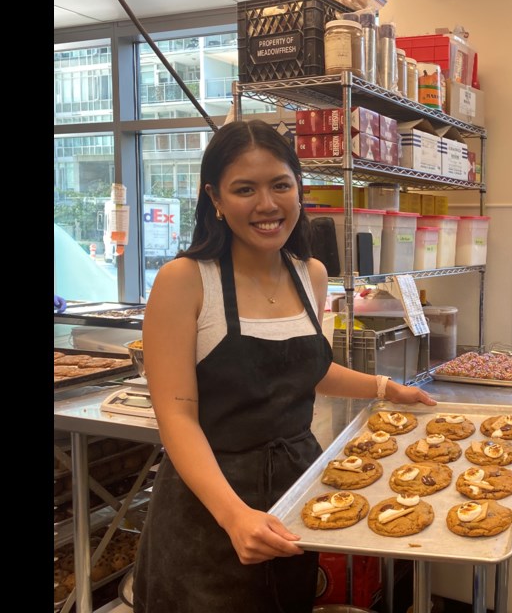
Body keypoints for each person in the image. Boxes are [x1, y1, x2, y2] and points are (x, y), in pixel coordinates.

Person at [132, 120, 436, 612]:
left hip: (298, 492)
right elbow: (177, 417)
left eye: (280, 185)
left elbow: (304, 371)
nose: (267, 205)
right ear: (215, 198)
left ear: (300, 188)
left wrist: (386, 388)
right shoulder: (185, 280)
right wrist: (234, 517)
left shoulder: (309, 275)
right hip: (210, 507)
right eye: (244, 189)